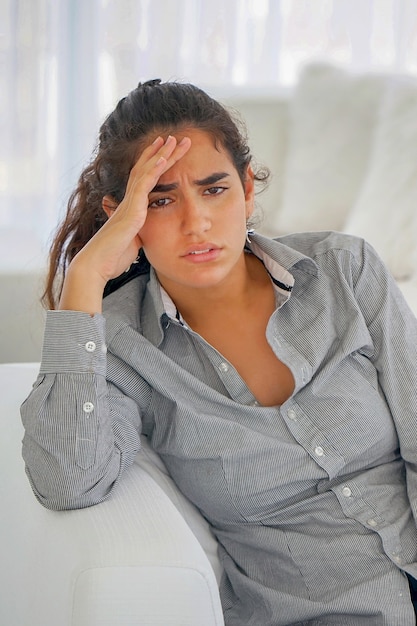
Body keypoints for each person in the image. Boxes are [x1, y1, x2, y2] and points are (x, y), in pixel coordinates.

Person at [21, 78, 417, 626]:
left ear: (248, 190)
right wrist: (84, 277)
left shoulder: (345, 270)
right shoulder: (119, 346)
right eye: (160, 200)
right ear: (121, 216)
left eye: (214, 189)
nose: (196, 222)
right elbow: (68, 481)